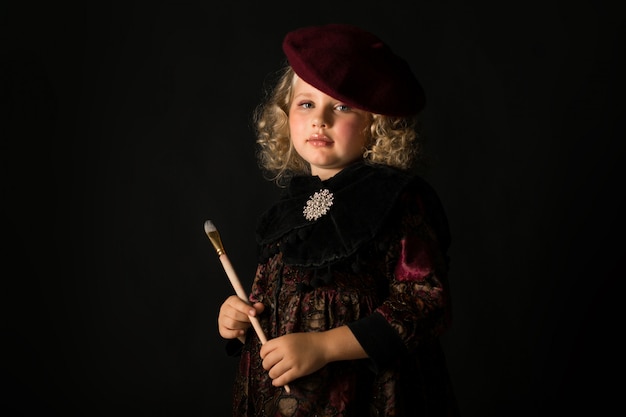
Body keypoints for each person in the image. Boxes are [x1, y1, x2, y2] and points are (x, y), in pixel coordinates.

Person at [217, 23, 459, 416]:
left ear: (376, 122)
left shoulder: (394, 199)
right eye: (306, 103)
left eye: (342, 106)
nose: (320, 119)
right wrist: (238, 317)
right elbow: (265, 299)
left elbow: (425, 304)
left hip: (367, 399)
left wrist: (324, 346)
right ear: (286, 114)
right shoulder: (287, 213)